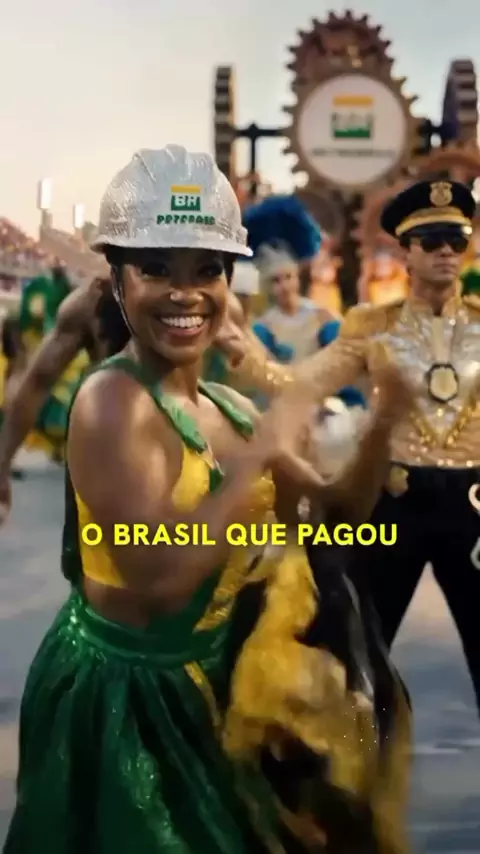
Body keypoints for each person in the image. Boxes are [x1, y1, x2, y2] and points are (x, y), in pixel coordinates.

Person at [5, 145, 411, 854]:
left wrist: (384, 422)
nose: (185, 292)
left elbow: (330, 516)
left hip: (223, 684)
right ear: (117, 280)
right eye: (157, 268)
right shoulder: (110, 402)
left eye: (206, 269)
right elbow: (157, 578)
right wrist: (260, 451)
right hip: (127, 704)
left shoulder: (232, 407)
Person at [215, 179, 480, 715]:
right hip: (397, 498)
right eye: (431, 241)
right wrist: (247, 358)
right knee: (359, 652)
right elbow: (304, 382)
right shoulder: (372, 328)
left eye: (456, 240)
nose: (447, 253)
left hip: (473, 504)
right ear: (406, 252)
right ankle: (352, 759)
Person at [0, 278, 128, 519]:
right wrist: (2, 462)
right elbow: (38, 382)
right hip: (113, 470)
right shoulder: (93, 302)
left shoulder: (199, 303)